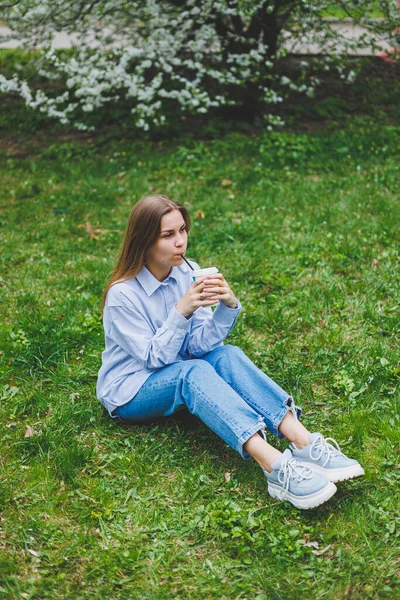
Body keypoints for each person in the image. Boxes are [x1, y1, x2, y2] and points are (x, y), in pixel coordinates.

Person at [97, 195, 364, 510]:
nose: (180, 242)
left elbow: (200, 346)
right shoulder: (122, 295)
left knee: (226, 355)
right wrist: (181, 311)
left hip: (181, 369)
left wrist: (227, 306)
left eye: (182, 230)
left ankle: (305, 443)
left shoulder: (188, 271)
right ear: (143, 241)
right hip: (132, 390)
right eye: (168, 235)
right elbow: (155, 359)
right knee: (192, 372)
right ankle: (275, 466)